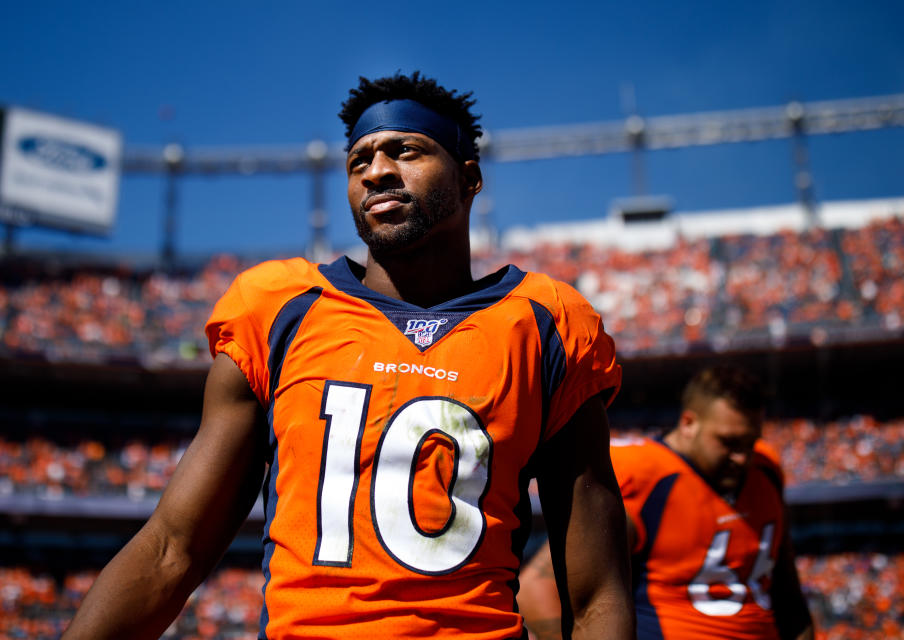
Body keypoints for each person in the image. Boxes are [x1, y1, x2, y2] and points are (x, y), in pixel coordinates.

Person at [62, 71, 634, 640]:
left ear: (469, 179)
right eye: (359, 161)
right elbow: (171, 549)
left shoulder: (545, 323)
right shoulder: (280, 309)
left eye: (405, 150)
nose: (378, 171)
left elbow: (596, 595)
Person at [518, 365, 814, 640]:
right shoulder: (646, 476)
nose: (743, 457)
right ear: (688, 423)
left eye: (750, 443)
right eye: (729, 442)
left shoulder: (765, 469)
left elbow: (788, 595)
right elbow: (536, 589)